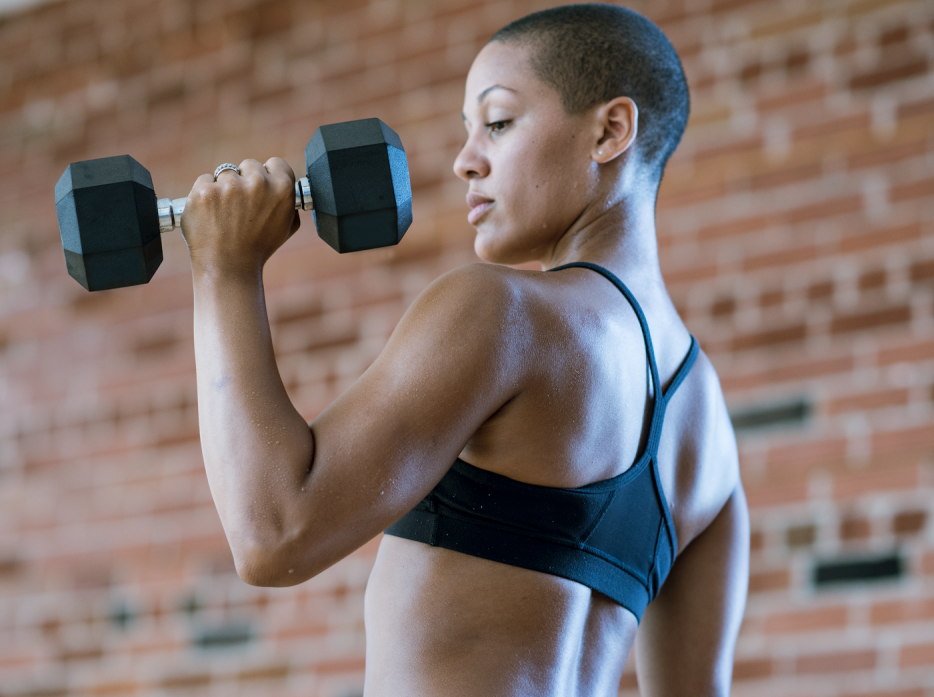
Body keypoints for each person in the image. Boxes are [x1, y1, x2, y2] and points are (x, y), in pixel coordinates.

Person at [180, 4, 749, 696]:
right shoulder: (707, 423)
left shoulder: (501, 310)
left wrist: (224, 270)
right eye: (467, 131)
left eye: (499, 122)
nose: (465, 161)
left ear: (610, 130)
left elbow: (275, 533)